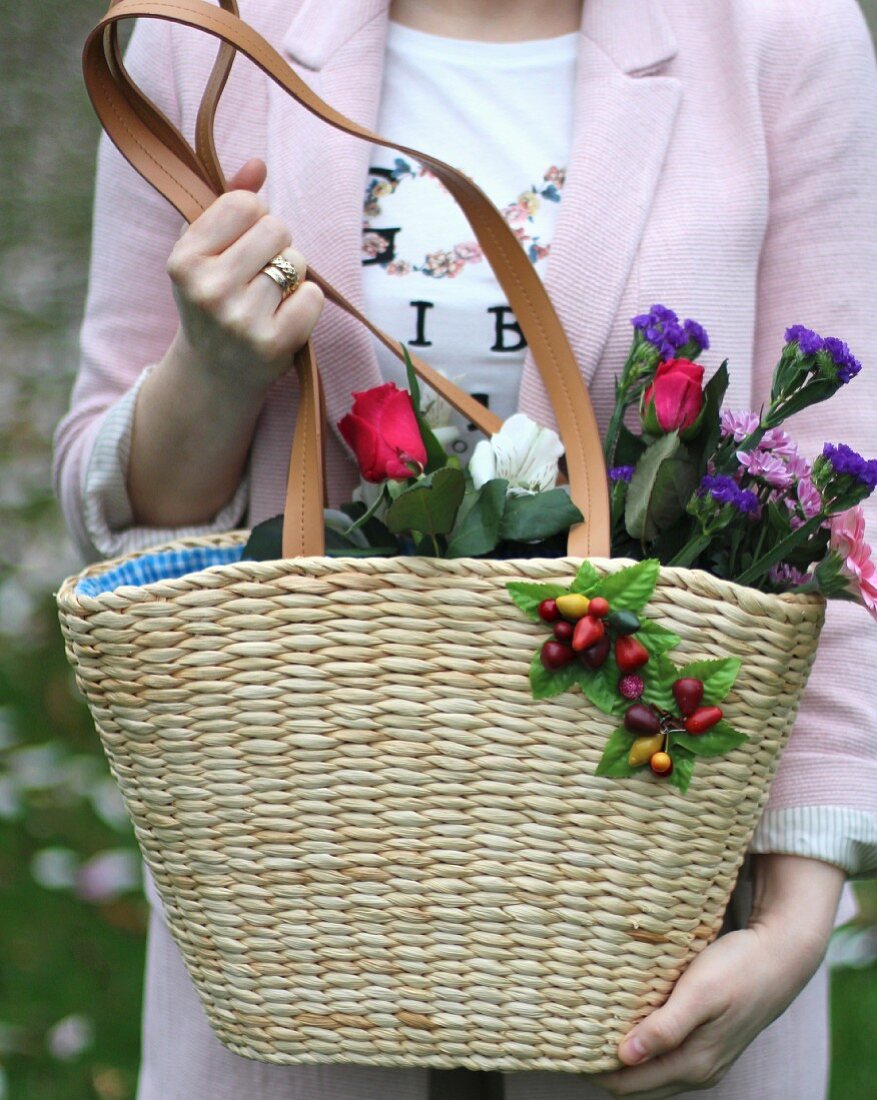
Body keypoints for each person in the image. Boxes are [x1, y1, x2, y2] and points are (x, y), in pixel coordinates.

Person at [54, 1, 877, 1097]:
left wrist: (794, 908)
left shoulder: (779, 32)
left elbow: (836, 505)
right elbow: (113, 502)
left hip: (663, 917)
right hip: (297, 921)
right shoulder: (208, 33)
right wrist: (213, 369)